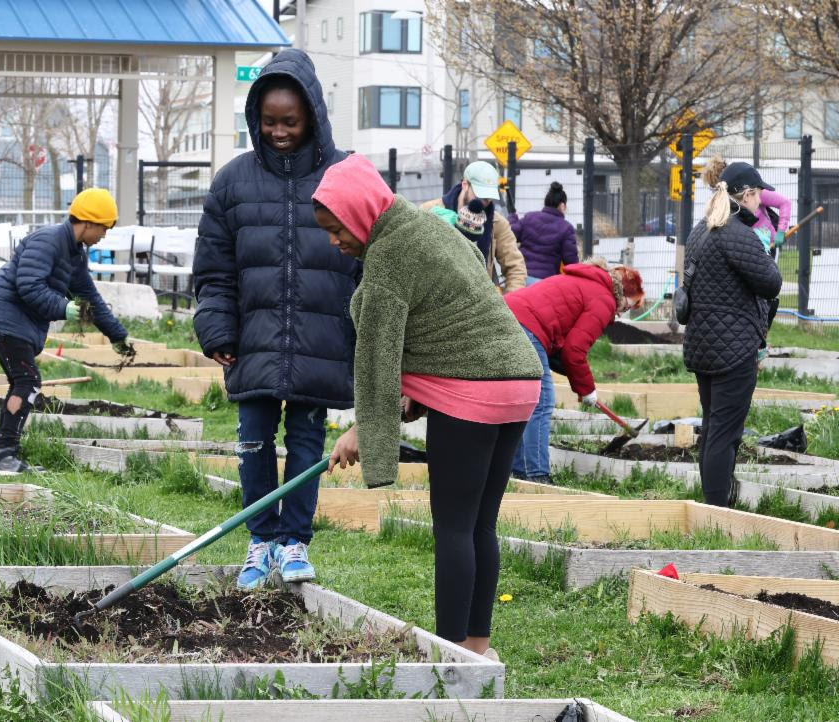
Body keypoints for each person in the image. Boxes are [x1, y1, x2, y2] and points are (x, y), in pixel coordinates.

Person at [318, 153, 541, 656]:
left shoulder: (389, 255)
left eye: (337, 229)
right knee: (481, 524)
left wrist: (365, 430)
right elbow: (444, 319)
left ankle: (450, 655)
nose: (335, 241)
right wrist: (403, 404)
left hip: (475, 387)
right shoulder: (426, 227)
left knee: (454, 527)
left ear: (359, 212)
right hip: (519, 381)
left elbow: (377, 356)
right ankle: (477, 650)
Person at [193, 49, 361, 590]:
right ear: (255, 119)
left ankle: (294, 543)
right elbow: (214, 270)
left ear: (312, 113)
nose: (280, 132)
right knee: (253, 438)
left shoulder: (344, 174)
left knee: (308, 440)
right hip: (254, 337)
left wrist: (362, 333)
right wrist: (216, 328)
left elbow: (369, 262)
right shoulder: (232, 182)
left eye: (290, 121)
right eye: (269, 122)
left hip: (321, 335)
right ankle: (260, 538)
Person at [0, 188, 135, 475]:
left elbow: (90, 299)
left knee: (25, 381)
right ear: (87, 222)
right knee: (28, 380)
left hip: (13, 319)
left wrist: (117, 335)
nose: (104, 236)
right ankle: (1, 456)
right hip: (3, 315)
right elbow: (29, 284)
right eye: (104, 228)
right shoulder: (48, 240)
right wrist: (63, 308)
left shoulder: (74, 255)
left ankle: (2, 455)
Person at [683, 162, 782, 507]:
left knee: (712, 426)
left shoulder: (701, 229)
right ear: (749, 195)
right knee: (725, 433)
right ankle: (716, 510)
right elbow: (771, 282)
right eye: (759, 195)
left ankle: (714, 498)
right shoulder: (739, 234)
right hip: (735, 347)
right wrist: (768, 251)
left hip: (702, 344)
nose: (762, 203)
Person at [505, 259, 645, 483]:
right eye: (628, 307)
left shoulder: (587, 282)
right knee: (541, 401)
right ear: (623, 293)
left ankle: (518, 470)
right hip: (527, 326)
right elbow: (575, 350)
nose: (621, 314)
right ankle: (537, 474)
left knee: (523, 402)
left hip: (508, 317)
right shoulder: (604, 300)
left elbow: (562, 348)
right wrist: (588, 389)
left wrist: (579, 382)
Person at [420, 161, 527, 292]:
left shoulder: (497, 223)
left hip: (478, 300)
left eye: (489, 198)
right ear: (465, 185)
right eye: (480, 195)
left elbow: (515, 266)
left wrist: (512, 301)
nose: (484, 202)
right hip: (435, 296)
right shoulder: (430, 211)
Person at [704, 156, 792, 255]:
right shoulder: (722, 200)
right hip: (745, 245)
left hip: (767, 243)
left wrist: (781, 231)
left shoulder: (755, 192)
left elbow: (785, 202)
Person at [508, 182, 579, 284]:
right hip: (545, 283)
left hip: (520, 277)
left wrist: (512, 218)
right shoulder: (566, 228)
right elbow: (571, 262)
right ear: (562, 205)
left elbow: (511, 234)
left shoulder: (529, 218)